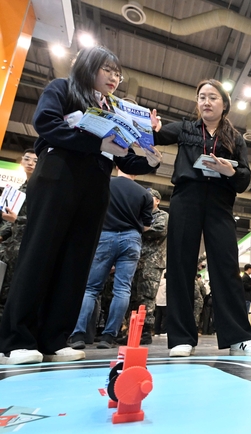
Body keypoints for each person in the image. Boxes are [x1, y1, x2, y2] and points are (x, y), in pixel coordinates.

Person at [0, 46, 161, 365]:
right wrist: (95, 141)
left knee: (76, 261)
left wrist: (150, 158)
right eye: (108, 70)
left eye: (118, 73)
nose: (114, 78)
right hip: (59, 173)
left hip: (96, 184)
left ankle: (54, 337)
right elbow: (46, 123)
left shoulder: (116, 110)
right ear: (89, 67)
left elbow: (123, 155)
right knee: (41, 252)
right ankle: (17, 337)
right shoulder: (63, 89)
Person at [151, 78, 251, 358]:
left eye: (212, 97)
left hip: (220, 202)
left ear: (224, 104)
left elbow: (243, 180)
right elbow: (156, 137)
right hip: (186, 197)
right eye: (201, 96)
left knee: (226, 266)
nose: (206, 101)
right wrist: (151, 129)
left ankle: (239, 337)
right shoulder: (185, 128)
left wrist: (229, 171)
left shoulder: (235, 138)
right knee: (180, 264)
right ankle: (180, 337)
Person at [68, 169, 154, 349]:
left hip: (105, 236)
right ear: (135, 173)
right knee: (122, 289)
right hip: (131, 239)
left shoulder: (105, 184)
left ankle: (78, 335)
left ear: (118, 168)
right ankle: (109, 337)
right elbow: (147, 226)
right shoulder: (144, 194)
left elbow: (90, 213)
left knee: (91, 288)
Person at [119, 187, 168, 345]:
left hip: (152, 262)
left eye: (150, 197)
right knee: (133, 297)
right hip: (135, 260)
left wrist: (138, 227)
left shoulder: (162, 215)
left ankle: (145, 331)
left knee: (146, 297)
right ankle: (132, 330)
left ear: (157, 201)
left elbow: (159, 230)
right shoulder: (138, 215)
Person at [0, 150, 37, 319]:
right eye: (27, 159)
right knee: (5, 284)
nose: (30, 163)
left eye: (34, 161)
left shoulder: (41, 189)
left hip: (29, 243)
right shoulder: (19, 189)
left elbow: (41, 219)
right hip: (11, 245)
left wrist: (17, 220)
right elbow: (8, 220)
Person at [154, 271, 167, 336]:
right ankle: (164, 331)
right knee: (165, 316)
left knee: (158, 317)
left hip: (158, 301)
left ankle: (156, 331)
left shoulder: (159, 282)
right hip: (164, 302)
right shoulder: (167, 283)